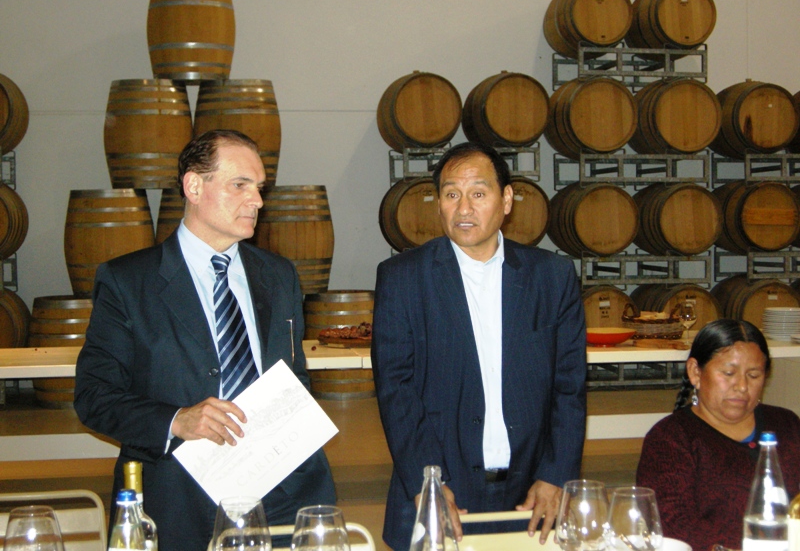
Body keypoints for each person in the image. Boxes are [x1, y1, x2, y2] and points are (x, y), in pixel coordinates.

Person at [74, 129, 335, 551]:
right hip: (178, 499)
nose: (258, 200)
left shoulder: (279, 275)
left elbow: (293, 377)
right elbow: (94, 396)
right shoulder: (128, 281)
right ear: (194, 187)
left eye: (260, 187)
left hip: (287, 493)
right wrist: (176, 420)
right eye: (240, 185)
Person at [371, 141, 587, 550]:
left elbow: (569, 387)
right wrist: (428, 482)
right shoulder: (402, 278)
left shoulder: (551, 277)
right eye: (451, 194)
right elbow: (396, 391)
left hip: (531, 492)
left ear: (506, 200)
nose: (464, 208)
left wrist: (556, 475)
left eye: (478, 193)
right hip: (441, 489)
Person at [636, 319, 800, 551]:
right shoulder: (671, 438)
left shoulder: (786, 425)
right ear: (695, 372)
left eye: (753, 375)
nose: (742, 386)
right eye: (728, 373)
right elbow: (672, 524)